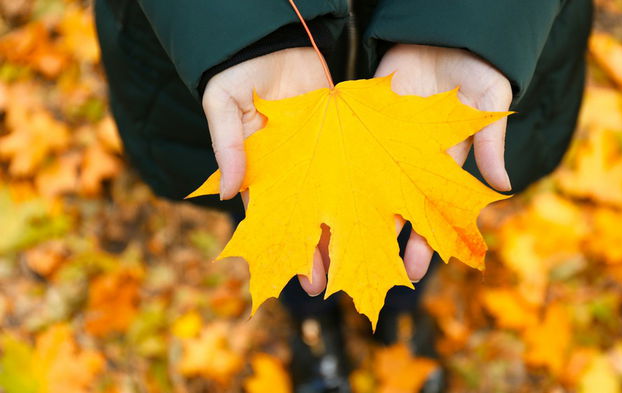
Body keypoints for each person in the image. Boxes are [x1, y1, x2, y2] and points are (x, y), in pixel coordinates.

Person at [95, 0, 593, 391]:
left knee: (417, 225)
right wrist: (248, 30)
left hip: (443, 40)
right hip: (231, 61)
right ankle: (313, 324)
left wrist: (468, 20)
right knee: (277, 218)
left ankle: (395, 316)